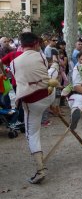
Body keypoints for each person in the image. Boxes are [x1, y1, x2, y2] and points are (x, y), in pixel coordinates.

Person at [10, 32, 57, 184]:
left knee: (32, 134)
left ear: (21, 45)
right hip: (48, 95)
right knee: (53, 70)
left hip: (33, 103)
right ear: (36, 43)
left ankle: (40, 169)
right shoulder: (42, 56)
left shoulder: (13, 63)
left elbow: (17, 80)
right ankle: (54, 105)